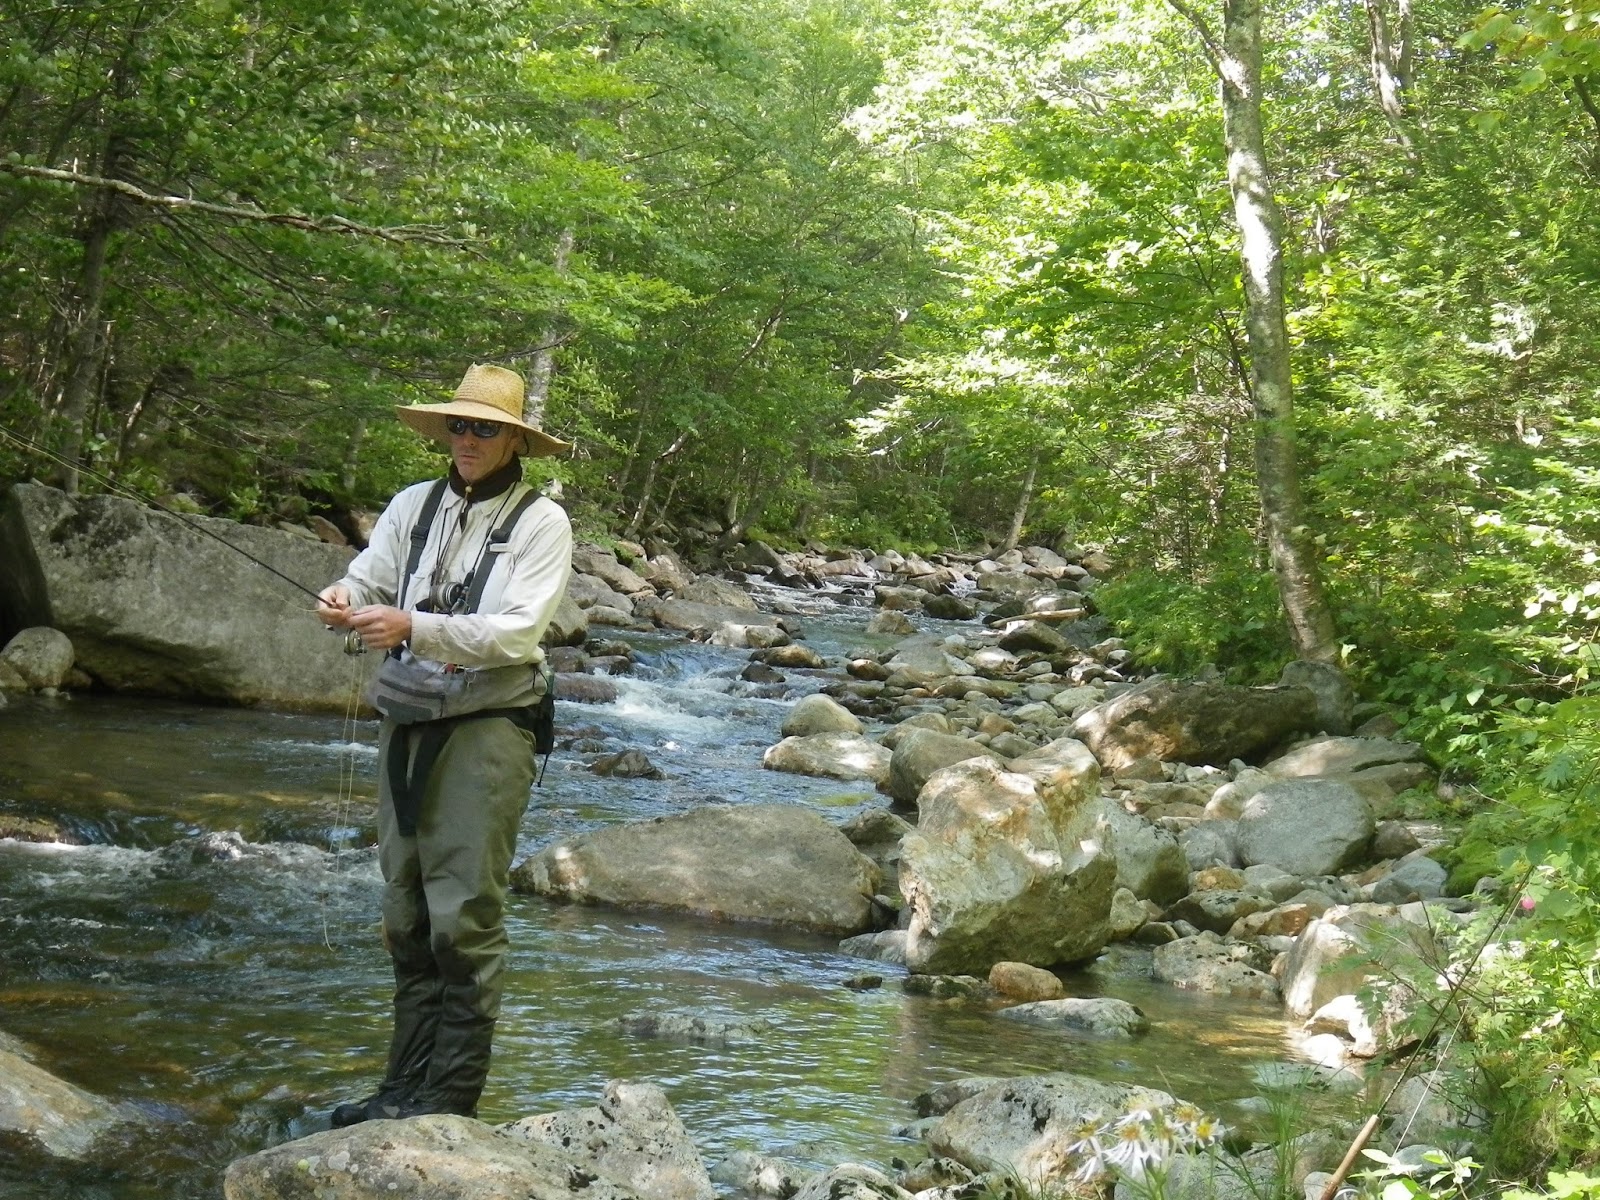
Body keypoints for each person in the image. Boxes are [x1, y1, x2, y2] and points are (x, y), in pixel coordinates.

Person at [315, 363, 573, 1124]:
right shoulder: (412, 505)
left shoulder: (541, 522)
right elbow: (370, 577)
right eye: (458, 426)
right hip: (409, 718)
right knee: (406, 913)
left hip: (490, 728)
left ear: (514, 439)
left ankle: (447, 1105)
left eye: (483, 428)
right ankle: (398, 1092)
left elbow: (519, 633)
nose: (466, 438)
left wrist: (412, 627)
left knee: (462, 918)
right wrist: (345, 599)